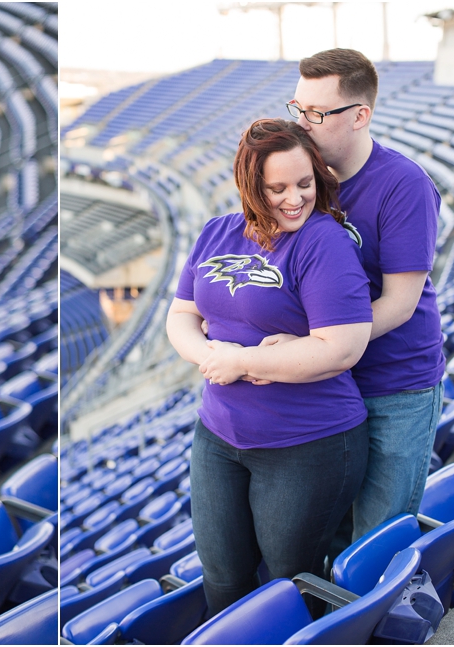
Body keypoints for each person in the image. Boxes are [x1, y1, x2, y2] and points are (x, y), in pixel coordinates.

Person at [166, 119, 372, 616]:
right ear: (250, 185)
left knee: (289, 580)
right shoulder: (216, 232)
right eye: (276, 188)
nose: (294, 198)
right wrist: (216, 360)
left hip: (307, 443)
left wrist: (244, 360)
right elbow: (180, 317)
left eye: (305, 183)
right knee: (222, 575)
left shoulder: (324, 241)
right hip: (218, 435)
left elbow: (342, 347)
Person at [283, 48, 445, 545]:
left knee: (377, 533)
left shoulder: (404, 185)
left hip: (396, 384)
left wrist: (323, 345)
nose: (303, 124)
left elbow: (399, 302)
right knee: (324, 531)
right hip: (330, 382)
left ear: (360, 115)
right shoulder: (302, 185)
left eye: (317, 113)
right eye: (297, 109)